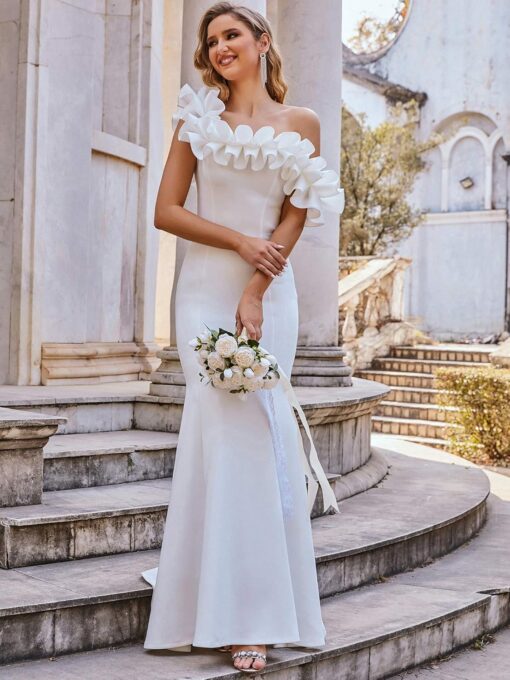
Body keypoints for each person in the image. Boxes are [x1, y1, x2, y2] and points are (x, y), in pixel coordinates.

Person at [141, 2, 345, 674]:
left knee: (258, 442)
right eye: (211, 40)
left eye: (232, 34)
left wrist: (256, 287)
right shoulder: (195, 120)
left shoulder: (303, 123)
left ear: (262, 41)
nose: (221, 46)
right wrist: (237, 243)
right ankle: (212, 605)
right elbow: (166, 210)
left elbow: (298, 208)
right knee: (219, 443)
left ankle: (256, 611)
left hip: (268, 296)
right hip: (202, 291)